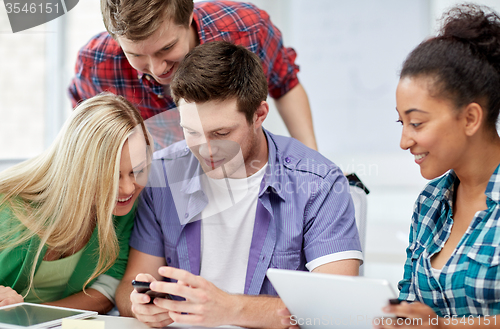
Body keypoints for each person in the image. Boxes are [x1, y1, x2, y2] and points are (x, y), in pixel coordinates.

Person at [114, 41, 362, 327]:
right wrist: (139, 305)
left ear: (259, 115)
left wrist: (230, 308)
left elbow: (338, 310)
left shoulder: (320, 183)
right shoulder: (163, 176)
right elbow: (129, 290)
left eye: (221, 133)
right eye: (191, 132)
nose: (205, 149)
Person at [376, 4, 500, 328]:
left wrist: (445, 326)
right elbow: (409, 303)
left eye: (416, 123)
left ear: (470, 118)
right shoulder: (430, 203)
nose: (404, 141)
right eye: (401, 122)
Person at [68, 0, 318, 150]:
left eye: (166, 48)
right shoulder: (95, 64)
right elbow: (88, 137)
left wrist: (314, 165)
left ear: (188, 17)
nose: (157, 70)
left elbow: (285, 84)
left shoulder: (248, 29)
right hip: (152, 192)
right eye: (137, 55)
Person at [0, 94, 153, 313]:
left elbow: (107, 289)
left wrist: (29, 315)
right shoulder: (8, 205)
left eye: (138, 171)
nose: (128, 188)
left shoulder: (123, 209)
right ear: (78, 168)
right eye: (112, 175)